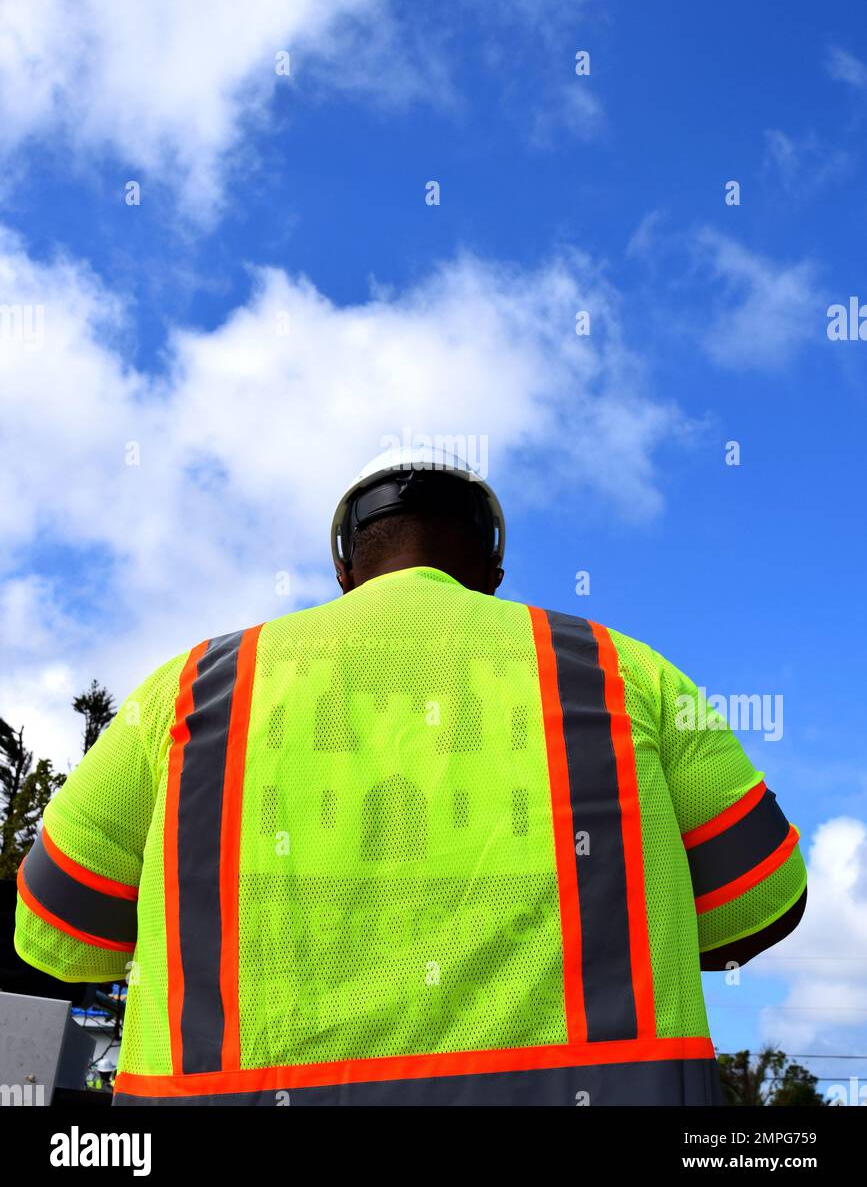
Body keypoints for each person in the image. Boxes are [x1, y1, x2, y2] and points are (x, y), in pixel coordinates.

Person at [15, 445, 807, 1106]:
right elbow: (760, 904)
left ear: (343, 567)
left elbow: (59, 932)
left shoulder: (190, 688)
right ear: (492, 566)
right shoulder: (621, 672)